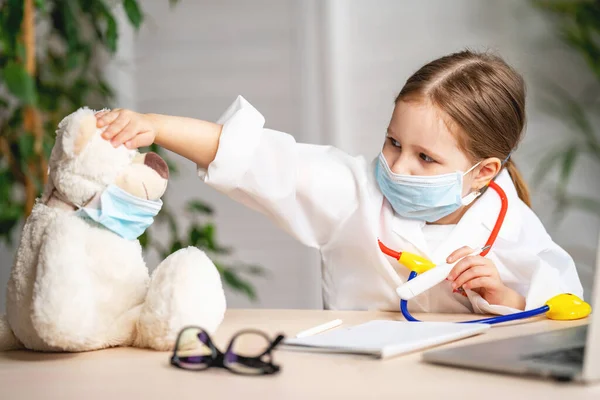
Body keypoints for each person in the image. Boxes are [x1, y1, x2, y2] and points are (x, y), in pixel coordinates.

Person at [95, 50, 583, 315]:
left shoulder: (509, 219)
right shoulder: (351, 188)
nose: (397, 166)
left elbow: (563, 308)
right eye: (393, 142)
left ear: (484, 172)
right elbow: (248, 154)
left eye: (425, 158)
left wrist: (506, 299)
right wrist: (155, 124)